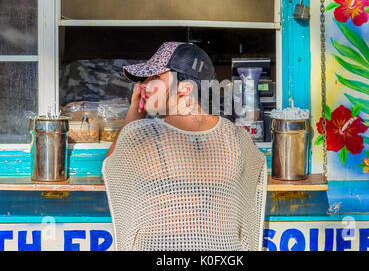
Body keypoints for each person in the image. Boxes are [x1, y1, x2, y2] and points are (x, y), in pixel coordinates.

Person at [102, 42, 268, 251]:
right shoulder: (236, 138)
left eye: (155, 77)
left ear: (185, 88)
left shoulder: (146, 137)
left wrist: (136, 110)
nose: (143, 86)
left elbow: (109, 171)